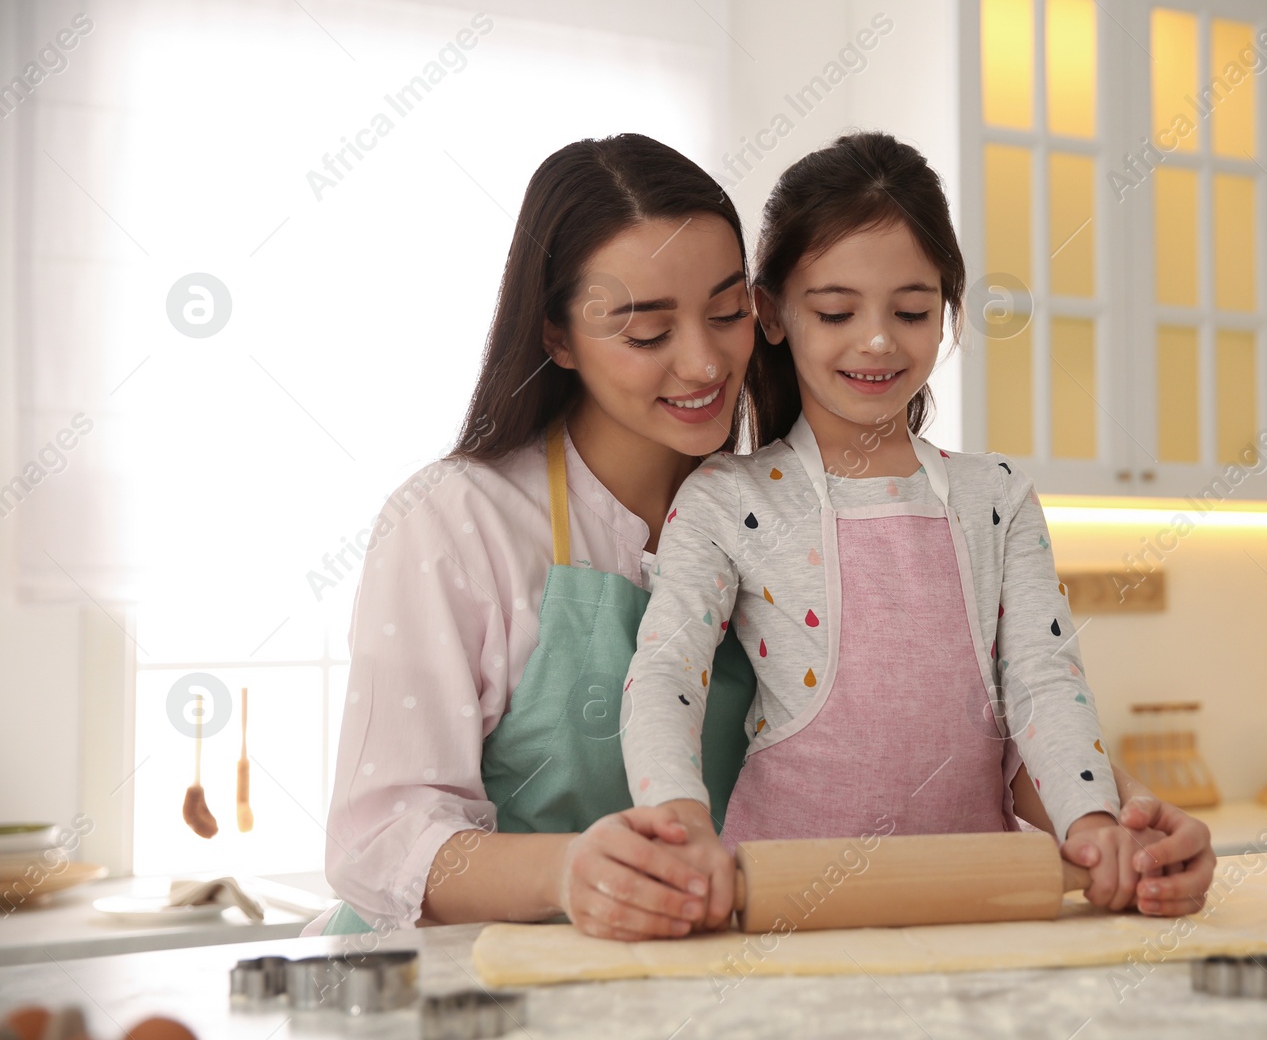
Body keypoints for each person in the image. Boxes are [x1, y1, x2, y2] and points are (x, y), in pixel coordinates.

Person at [619, 132, 1216, 931]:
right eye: (835, 311)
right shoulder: (727, 499)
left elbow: (1043, 681)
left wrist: (1095, 823)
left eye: (912, 310)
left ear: (947, 311)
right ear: (771, 314)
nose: (878, 340)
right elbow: (666, 676)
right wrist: (680, 824)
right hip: (784, 914)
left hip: (980, 908)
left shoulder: (996, 496)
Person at [304, 133, 763, 941]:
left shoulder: (776, 516)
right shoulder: (455, 521)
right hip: (468, 990)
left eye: (728, 312)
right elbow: (381, 839)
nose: (703, 362)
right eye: (648, 332)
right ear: (557, 336)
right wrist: (567, 869)